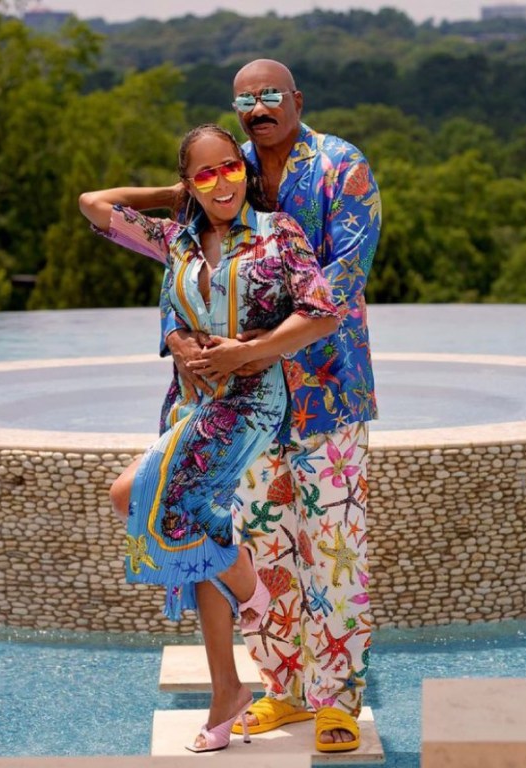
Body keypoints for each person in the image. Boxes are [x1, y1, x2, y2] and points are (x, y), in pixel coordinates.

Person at [78, 123, 340, 753]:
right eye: (205, 174)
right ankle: (227, 688)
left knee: (127, 495)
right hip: (188, 402)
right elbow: (95, 204)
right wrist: (176, 198)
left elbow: (321, 311)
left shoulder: (279, 235)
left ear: (244, 173)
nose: (222, 182)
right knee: (201, 531)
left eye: (230, 168)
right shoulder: (177, 240)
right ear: (189, 183)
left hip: (249, 400)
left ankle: (252, 596)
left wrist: (247, 351)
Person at [166, 59, 382, 754]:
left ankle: (337, 699)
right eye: (245, 100)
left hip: (326, 393)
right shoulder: (235, 177)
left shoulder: (341, 166)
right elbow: (187, 244)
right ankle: (284, 689)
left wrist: (247, 348)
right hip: (250, 407)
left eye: (269, 97)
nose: (259, 109)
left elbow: (340, 287)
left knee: (334, 551)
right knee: (264, 548)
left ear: (296, 100)